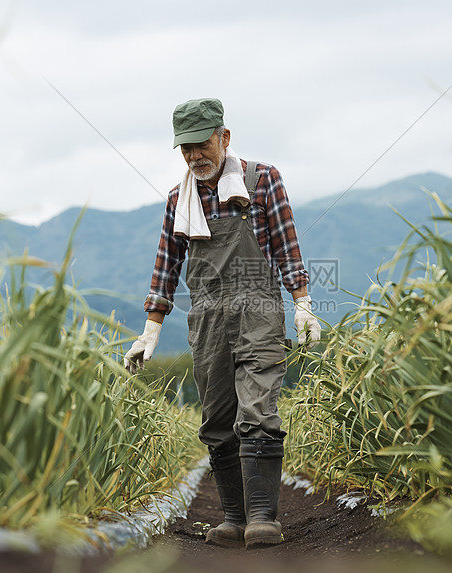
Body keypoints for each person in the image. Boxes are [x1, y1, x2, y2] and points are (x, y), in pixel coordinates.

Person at [124, 98, 321, 549]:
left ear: (224, 138)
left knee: (258, 413)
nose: (194, 156)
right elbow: (166, 267)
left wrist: (303, 303)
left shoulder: (261, 181)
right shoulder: (180, 199)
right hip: (208, 318)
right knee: (216, 419)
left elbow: (286, 246)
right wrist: (150, 329)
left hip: (259, 312)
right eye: (185, 148)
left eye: (201, 144)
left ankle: (263, 519)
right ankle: (234, 518)